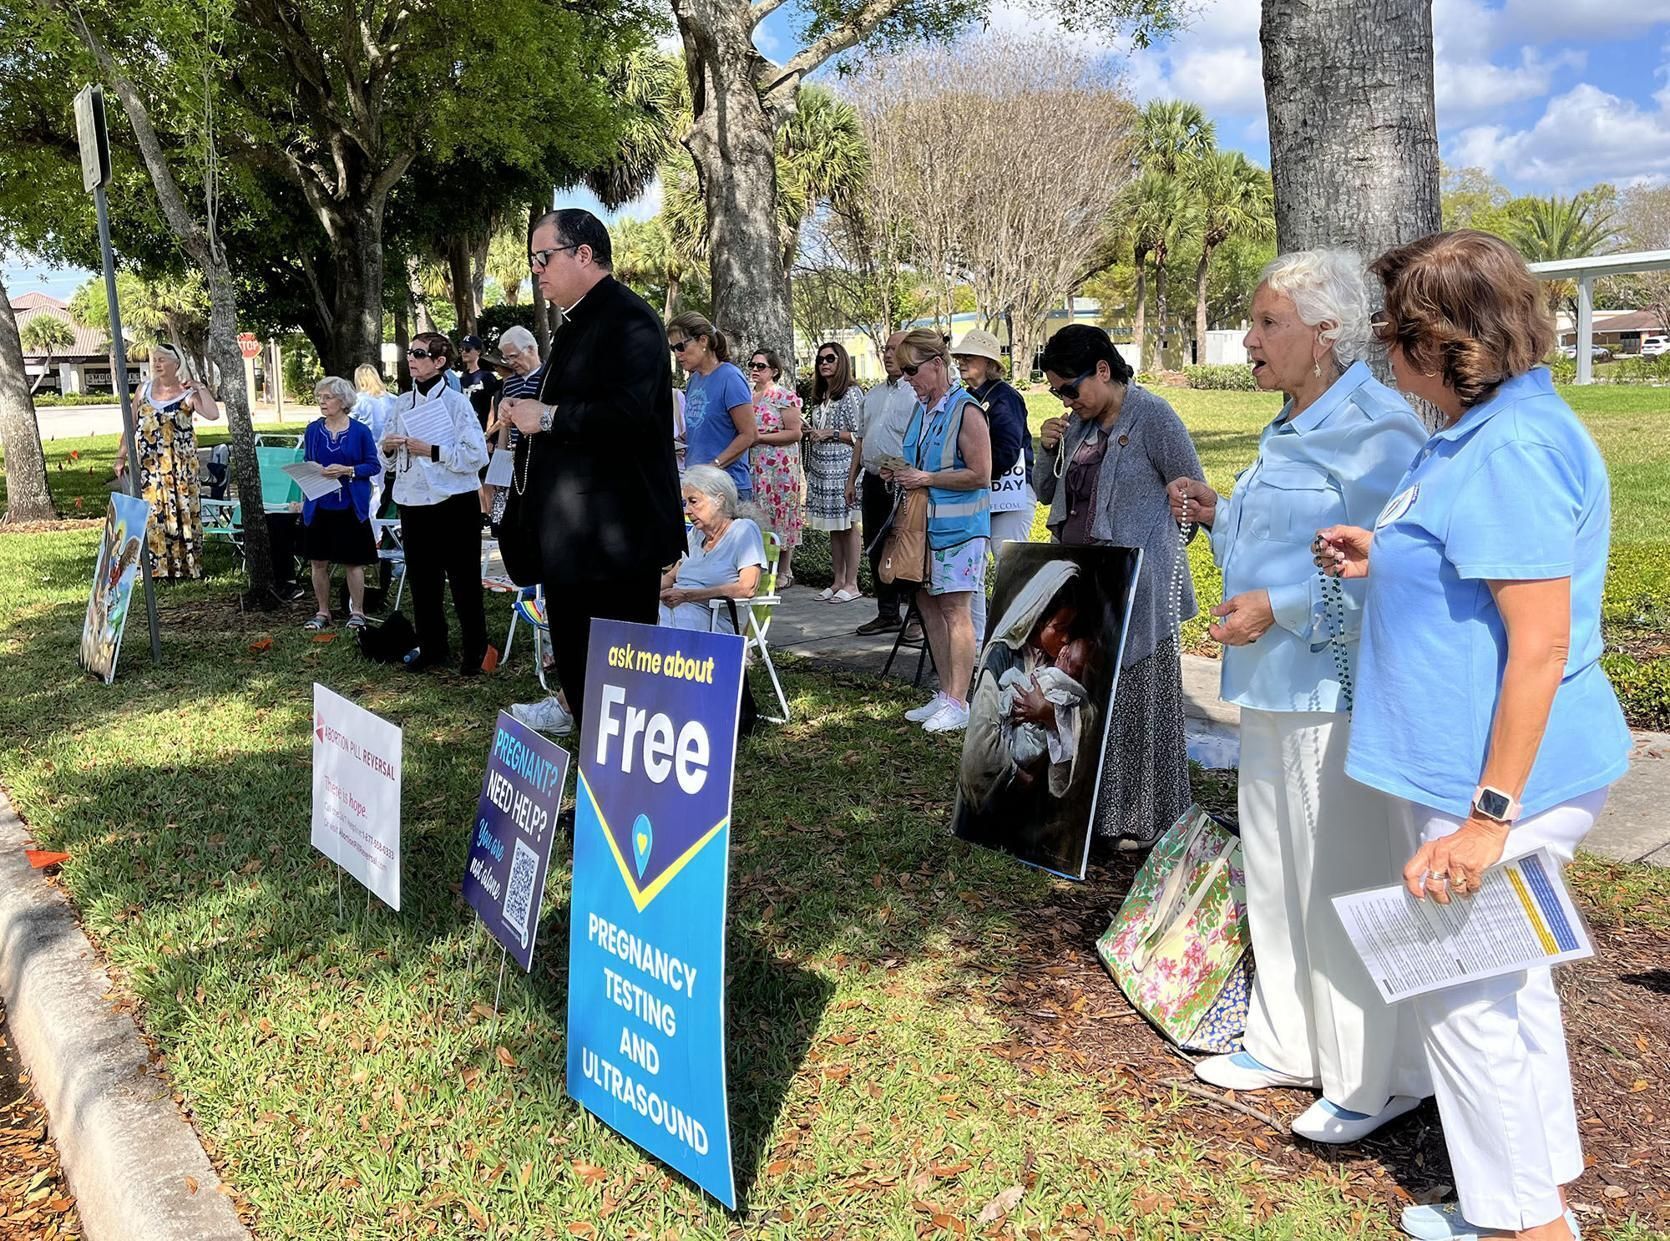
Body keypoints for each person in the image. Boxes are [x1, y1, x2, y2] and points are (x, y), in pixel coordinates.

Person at [1316, 230, 1631, 1241]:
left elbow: (1536, 644)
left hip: (1489, 783)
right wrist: (1391, 553)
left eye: (1391, 336)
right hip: (1468, 768)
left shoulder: (1509, 447)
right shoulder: (1478, 430)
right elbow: (1477, 571)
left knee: (1458, 999)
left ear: (1438, 342)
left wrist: (1485, 817)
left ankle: (1521, 1228)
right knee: (1506, 980)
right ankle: (1535, 1189)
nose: (1384, 356)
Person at [1165, 250, 1431, 1143]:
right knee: (1276, 870)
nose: (1248, 337)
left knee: (1342, 877)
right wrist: (1216, 511)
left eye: (1268, 321)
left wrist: (1276, 607)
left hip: (1338, 690)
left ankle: (1376, 1074)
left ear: (1325, 335)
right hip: (1271, 683)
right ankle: (1286, 1039)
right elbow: (1276, 535)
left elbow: (1394, 567)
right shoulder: (1287, 422)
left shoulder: (1382, 429)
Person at [499, 208, 684, 736]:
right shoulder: (577, 323)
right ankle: (593, 785)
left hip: (615, 539)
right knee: (582, 675)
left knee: (620, 686)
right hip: (574, 537)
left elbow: (630, 414)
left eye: (544, 257)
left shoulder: (629, 318)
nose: (537, 270)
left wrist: (549, 416)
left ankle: (619, 800)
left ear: (584, 254)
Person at [1033, 324, 1204, 844]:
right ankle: (1094, 815)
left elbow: (1194, 496)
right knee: (1088, 702)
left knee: (1136, 702)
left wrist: (1171, 524)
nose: (1065, 399)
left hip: (1139, 587)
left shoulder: (1152, 416)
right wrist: (1045, 446)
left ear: (1103, 371)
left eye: (1070, 387)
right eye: (1056, 390)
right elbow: (1046, 493)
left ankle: (1142, 819)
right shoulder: (1078, 428)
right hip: (1086, 584)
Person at [889, 328, 991, 733]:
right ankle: (947, 693)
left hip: (960, 531)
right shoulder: (923, 408)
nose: (908, 379)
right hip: (923, 531)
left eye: (913, 370)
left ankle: (959, 700)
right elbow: (917, 463)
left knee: (955, 612)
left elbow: (980, 474)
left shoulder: (966, 410)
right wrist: (901, 473)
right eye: (903, 372)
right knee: (930, 609)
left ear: (936, 364)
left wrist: (925, 477)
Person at [378, 331, 490, 673]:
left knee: (464, 580)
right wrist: (388, 448)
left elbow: (477, 455)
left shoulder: (457, 403)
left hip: (454, 503)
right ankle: (432, 647)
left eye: (419, 353)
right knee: (423, 581)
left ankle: (476, 649)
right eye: (409, 353)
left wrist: (432, 451)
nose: (410, 358)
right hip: (413, 501)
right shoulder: (401, 402)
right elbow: (386, 459)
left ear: (439, 361)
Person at [953, 328, 1034, 643]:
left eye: (968, 357)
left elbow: (1007, 449)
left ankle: (1014, 643)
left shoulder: (1005, 397)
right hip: (982, 495)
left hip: (1009, 497)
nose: (961, 362)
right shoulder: (969, 397)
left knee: (1008, 572)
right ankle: (975, 645)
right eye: (960, 357)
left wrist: (972, 471)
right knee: (971, 572)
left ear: (988, 363)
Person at [114, 343, 222, 580]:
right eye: (155, 360)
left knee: (181, 513)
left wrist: (200, 387)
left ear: (176, 363)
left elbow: (213, 414)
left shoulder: (188, 395)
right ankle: (155, 568)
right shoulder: (144, 391)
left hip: (181, 469)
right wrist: (121, 455)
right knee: (153, 514)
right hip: (150, 468)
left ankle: (184, 567)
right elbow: (131, 424)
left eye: (163, 360)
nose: (158, 364)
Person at [850, 331, 920, 638]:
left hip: (906, 481)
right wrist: (851, 479)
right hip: (875, 479)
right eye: (886, 349)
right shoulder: (873, 395)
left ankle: (917, 616)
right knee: (876, 547)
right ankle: (887, 613)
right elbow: (861, 439)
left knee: (908, 546)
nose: (889, 354)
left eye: (896, 349)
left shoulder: (916, 391)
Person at [301, 377, 382, 632]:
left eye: (327, 397)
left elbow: (373, 465)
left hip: (349, 504)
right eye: (319, 397)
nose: (322, 402)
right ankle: (322, 611)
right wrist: (314, 472)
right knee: (318, 561)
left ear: (342, 400)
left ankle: (357, 611)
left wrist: (348, 470)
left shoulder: (359, 431)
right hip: (319, 502)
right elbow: (308, 461)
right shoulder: (313, 430)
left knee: (353, 561)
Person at [659, 465, 769, 632]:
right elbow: (671, 577)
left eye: (693, 501)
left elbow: (747, 588)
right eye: (685, 503)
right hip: (680, 611)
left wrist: (687, 596)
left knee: (656, 623)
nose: (687, 510)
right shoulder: (696, 535)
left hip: (716, 618)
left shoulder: (743, 530)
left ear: (719, 500)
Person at [668, 311, 757, 501]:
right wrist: (678, 442)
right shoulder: (693, 381)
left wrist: (713, 466)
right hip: (697, 484)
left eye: (680, 346)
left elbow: (749, 434)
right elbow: (701, 428)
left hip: (727, 487)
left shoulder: (730, 377)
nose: (677, 354)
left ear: (703, 341)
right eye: (672, 348)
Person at [805, 340, 865, 602]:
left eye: (830, 359)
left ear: (842, 362)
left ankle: (852, 583)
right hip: (822, 468)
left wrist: (831, 433)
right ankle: (838, 580)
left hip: (843, 468)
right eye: (820, 360)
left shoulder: (851, 393)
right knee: (834, 527)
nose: (824, 364)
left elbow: (861, 434)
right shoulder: (821, 396)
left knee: (849, 524)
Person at [746, 348, 805, 587]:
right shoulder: (747, 396)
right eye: (752, 365)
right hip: (754, 465)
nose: (755, 370)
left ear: (774, 371)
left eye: (761, 366)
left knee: (781, 512)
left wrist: (759, 437)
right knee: (758, 511)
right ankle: (758, 566)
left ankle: (784, 569)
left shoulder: (783, 396)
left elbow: (795, 432)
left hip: (780, 466)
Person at [486, 326, 544, 530]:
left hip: (539, 456)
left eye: (513, 356)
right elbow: (504, 423)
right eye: (506, 358)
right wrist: (498, 463)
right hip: (511, 455)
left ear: (530, 349)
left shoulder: (549, 378)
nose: (510, 363)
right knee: (507, 522)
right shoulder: (509, 383)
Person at [458, 334, 502, 431]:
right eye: (462, 349)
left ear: (478, 351)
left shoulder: (487, 377)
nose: (464, 352)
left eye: (468, 349)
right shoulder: (462, 378)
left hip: (481, 429)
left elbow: (493, 406)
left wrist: (489, 434)